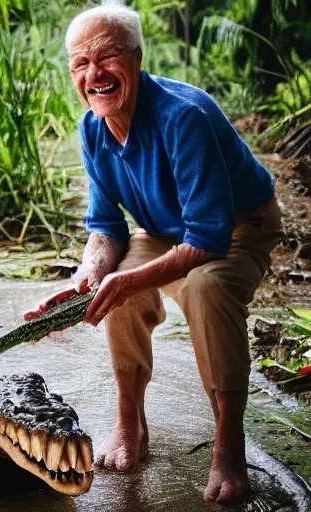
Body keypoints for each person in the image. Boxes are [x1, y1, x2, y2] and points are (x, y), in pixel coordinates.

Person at [24, 3, 283, 504]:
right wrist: (86, 277)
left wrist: (130, 279)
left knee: (207, 286)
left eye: (108, 57)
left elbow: (207, 237)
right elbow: (105, 227)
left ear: (138, 59)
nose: (94, 74)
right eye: (81, 63)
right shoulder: (92, 128)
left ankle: (229, 446)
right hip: (167, 228)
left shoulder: (184, 115)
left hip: (236, 224)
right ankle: (130, 425)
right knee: (112, 283)